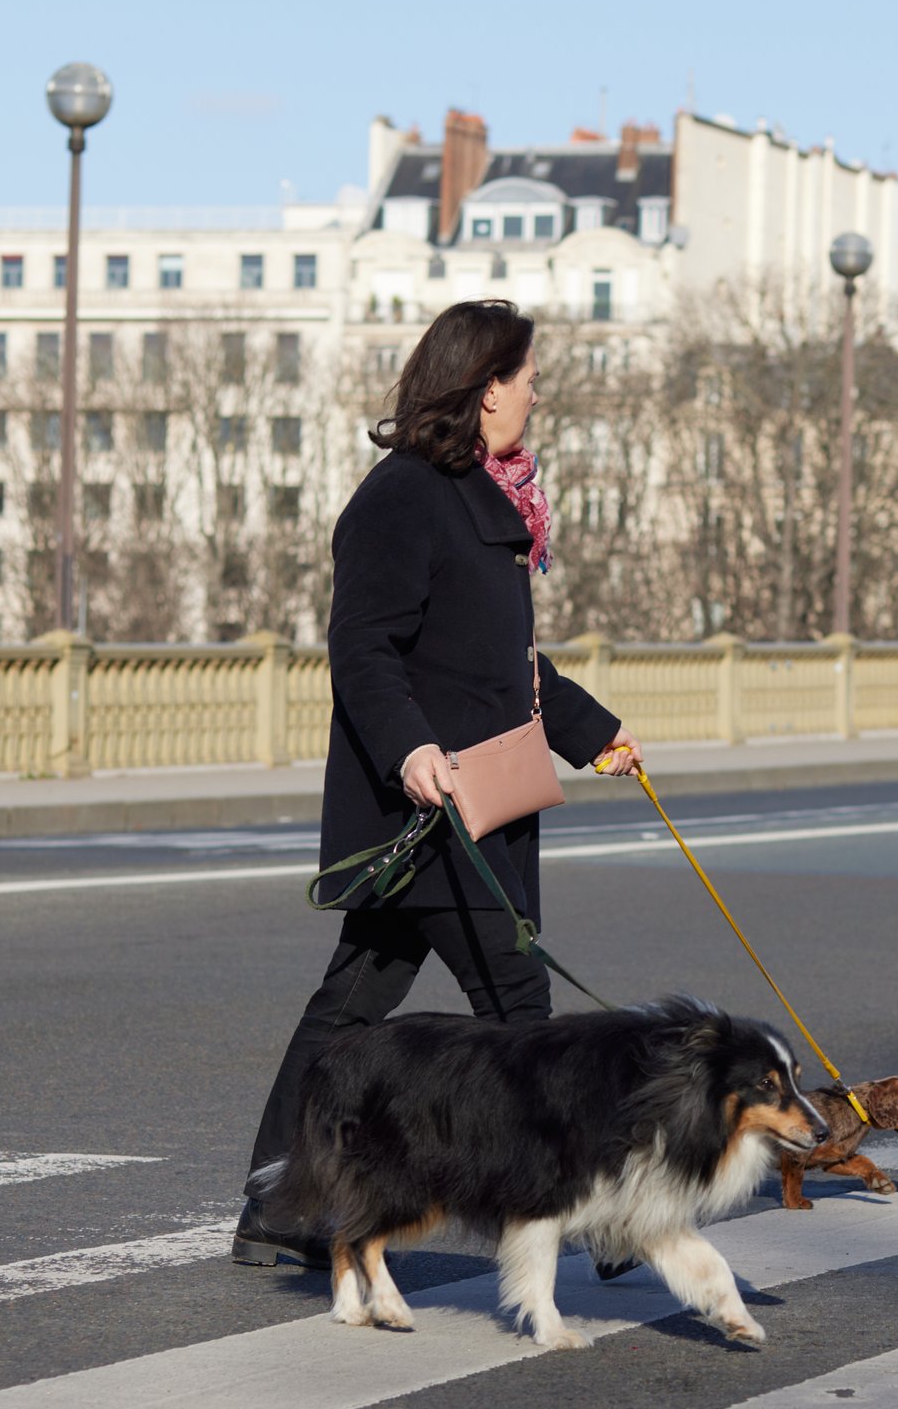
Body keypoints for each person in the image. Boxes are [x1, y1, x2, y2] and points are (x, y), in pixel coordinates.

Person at [232, 300, 643, 1267]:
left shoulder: (488, 504)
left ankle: (275, 1205)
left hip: (470, 802)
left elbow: (507, 670)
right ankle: (600, 1211)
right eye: (527, 376)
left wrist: (594, 734)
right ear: (484, 384)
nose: (538, 392)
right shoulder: (404, 496)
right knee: (521, 1012)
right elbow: (363, 647)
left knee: (346, 1013)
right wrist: (411, 749)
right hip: (433, 808)